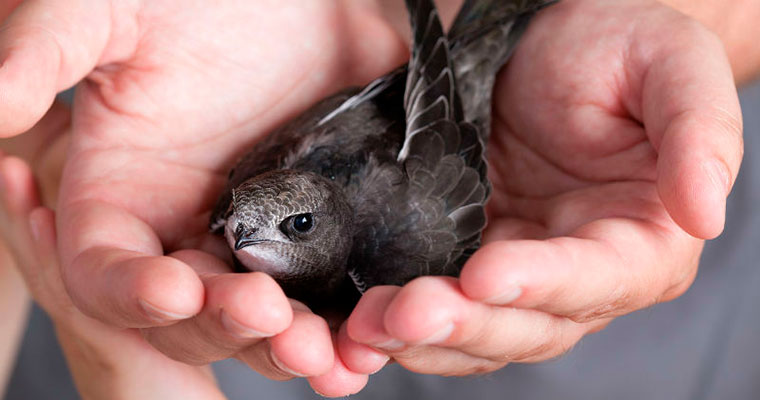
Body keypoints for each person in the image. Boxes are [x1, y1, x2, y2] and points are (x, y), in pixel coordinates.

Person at [1, 0, 759, 398]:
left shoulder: (407, 240)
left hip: (476, 136)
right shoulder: (259, 188)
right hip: (406, 112)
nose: (244, 241)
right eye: (241, 227)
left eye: (286, 227)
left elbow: (427, 110)